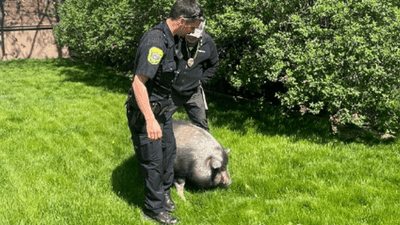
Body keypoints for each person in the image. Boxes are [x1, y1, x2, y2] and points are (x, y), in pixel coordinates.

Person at [125, 0, 204, 224]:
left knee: (168, 153)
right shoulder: (155, 42)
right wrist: (150, 120)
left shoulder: (173, 39)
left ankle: (164, 194)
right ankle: (153, 208)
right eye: (191, 26)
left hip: (163, 110)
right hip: (146, 113)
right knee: (153, 161)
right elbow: (138, 84)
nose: (192, 30)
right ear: (181, 21)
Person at [170, 20, 219, 132]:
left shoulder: (208, 42)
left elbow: (214, 64)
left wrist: (201, 80)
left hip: (194, 92)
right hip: (172, 91)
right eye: (189, 35)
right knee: (159, 119)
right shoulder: (176, 39)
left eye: (195, 37)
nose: (191, 38)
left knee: (202, 126)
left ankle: (207, 149)